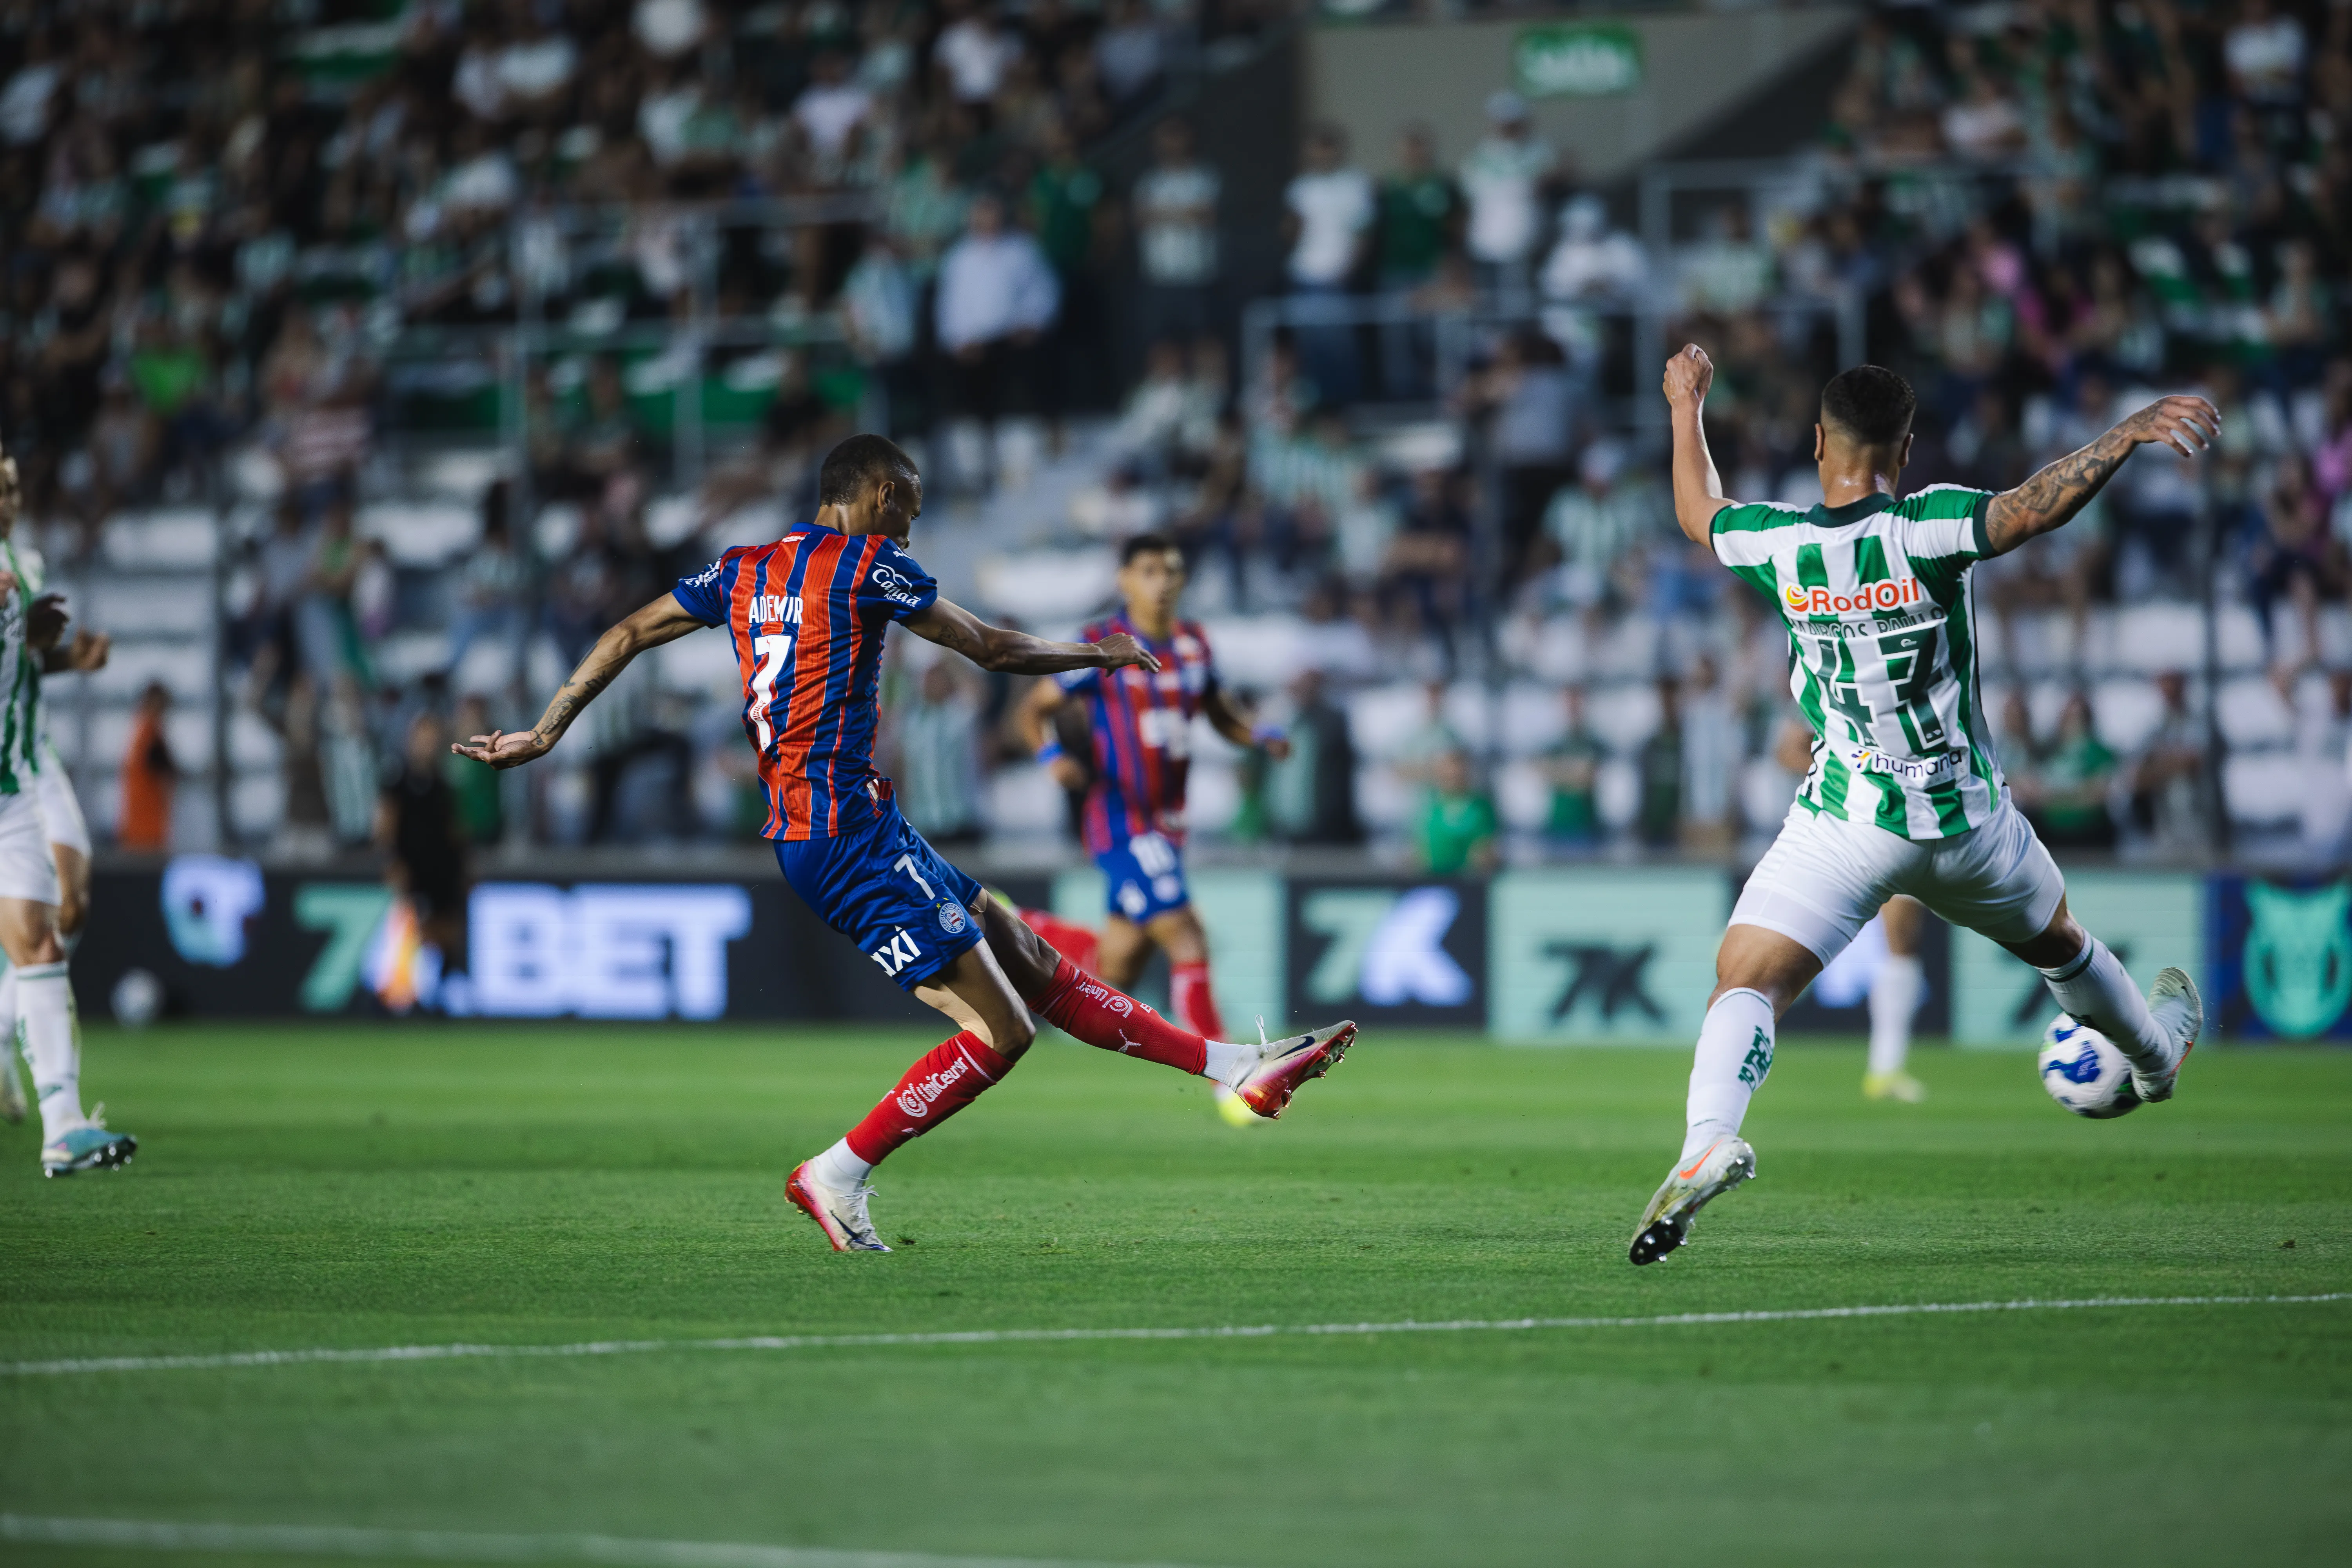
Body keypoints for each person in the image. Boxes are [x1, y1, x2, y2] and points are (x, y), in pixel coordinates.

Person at [454, 437, 1357, 1252]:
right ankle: (836, 1172)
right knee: (1003, 1031)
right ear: (880, 491)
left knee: (1034, 960)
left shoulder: (740, 569)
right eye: (911, 507)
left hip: (862, 824)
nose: (912, 527)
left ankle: (1238, 1066)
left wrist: (546, 729)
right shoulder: (869, 566)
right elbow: (994, 650)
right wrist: (1100, 654)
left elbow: (625, 632)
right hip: (842, 836)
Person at [1630, 349, 2217, 1266]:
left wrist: (1684, 404)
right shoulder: (1930, 524)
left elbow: (1695, 511)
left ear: (1817, 442)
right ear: (1903, 450)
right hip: (1968, 826)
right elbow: (2032, 507)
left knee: (1747, 981)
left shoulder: (1780, 542)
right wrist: (2126, 433)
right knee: (2060, 944)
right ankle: (2153, 1061)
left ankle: (1708, 1136)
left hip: (1847, 821)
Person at [1016, 533, 1295, 1123]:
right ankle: (1231, 1078)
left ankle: (1021, 925)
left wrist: (1259, 736)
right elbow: (1033, 709)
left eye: (1171, 571)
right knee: (1188, 937)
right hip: (1119, 819)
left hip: (1167, 827)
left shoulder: (1194, 644)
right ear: (1125, 580)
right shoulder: (1102, 645)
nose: (1162, 581)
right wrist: (1049, 759)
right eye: (1149, 571)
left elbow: (1219, 711)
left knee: (1116, 967)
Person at [0, 445, 134, 1175]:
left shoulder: (22, 568)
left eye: (13, 486)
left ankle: (62, 1127)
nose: (9, 498)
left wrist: (61, 654)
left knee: (46, 939)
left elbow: (21, 657)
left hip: (16, 781)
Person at [117, 681, 177, 851]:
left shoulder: (140, 729)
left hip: (142, 823)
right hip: (146, 827)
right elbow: (164, 765)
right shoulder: (148, 731)